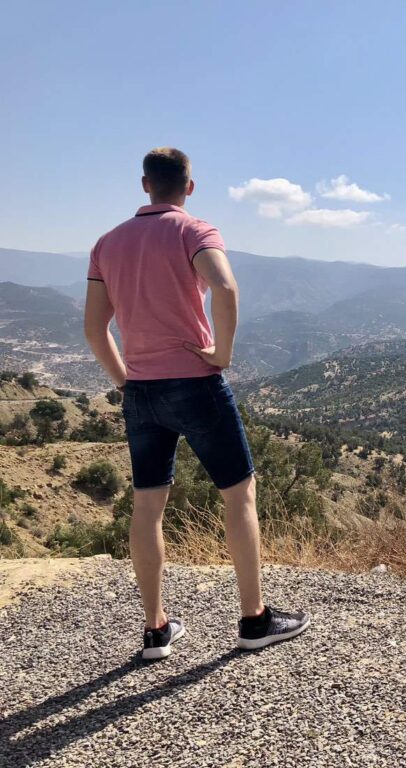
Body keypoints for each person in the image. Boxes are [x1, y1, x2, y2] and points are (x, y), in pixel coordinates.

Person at [84, 147, 310, 659]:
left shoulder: (106, 244)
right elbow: (225, 288)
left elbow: (94, 328)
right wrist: (222, 354)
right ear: (189, 186)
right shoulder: (195, 231)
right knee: (239, 495)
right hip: (196, 383)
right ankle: (254, 620)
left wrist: (125, 381)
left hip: (142, 392)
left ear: (145, 184)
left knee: (147, 506)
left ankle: (156, 630)